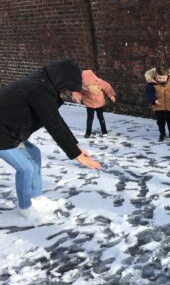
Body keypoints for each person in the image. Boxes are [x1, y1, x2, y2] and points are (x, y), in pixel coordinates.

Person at [0, 59, 101, 219]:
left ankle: (36, 197)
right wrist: (76, 155)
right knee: (25, 168)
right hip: (3, 135)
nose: (68, 93)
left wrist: (76, 146)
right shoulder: (38, 89)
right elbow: (53, 124)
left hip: (11, 131)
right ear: (62, 80)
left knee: (35, 154)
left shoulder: (43, 82)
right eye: (68, 89)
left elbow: (57, 119)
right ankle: (25, 207)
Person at [72, 69, 116, 138]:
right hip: (89, 103)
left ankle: (104, 131)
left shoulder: (98, 81)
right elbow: (76, 90)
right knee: (90, 118)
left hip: (99, 101)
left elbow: (107, 86)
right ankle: (88, 133)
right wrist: (76, 97)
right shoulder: (81, 84)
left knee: (100, 117)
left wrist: (111, 95)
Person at [145, 65, 170, 141]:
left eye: (163, 78)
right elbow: (149, 94)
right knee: (161, 121)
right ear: (156, 76)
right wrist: (153, 100)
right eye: (159, 78)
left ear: (167, 76)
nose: (162, 80)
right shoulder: (151, 84)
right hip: (159, 106)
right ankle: (162, 134)